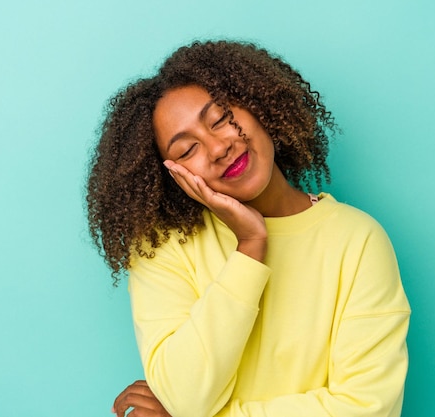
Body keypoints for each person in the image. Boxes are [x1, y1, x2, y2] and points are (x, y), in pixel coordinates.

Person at [86, 40, 410, 417]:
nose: (218, 148)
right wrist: (250, 247)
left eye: (221, 119)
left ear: (257, 105)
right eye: (187, 150)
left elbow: (366, 408)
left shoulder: (357, 241)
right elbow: (186, 398)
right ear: (173, 176)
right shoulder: (162, 248)